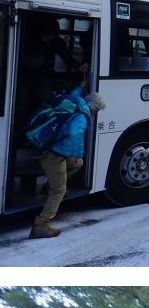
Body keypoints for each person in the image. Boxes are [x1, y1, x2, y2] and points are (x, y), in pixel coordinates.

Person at [29, 84, 105, 239]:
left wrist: (81, 86)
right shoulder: (82, 117)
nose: (96, 114)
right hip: (54, 153)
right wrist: (78, 154)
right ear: (93, 107)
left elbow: (74, 92)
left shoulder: (75, 101)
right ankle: (41, 225)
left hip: (53, 148)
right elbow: (74, 134)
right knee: (59, 190)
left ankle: (48, 187)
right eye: (97, 111)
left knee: (77, 165)